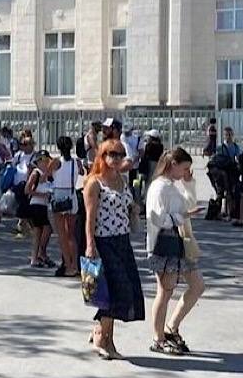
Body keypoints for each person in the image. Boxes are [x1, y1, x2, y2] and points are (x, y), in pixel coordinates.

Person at [82, 139, 145, 360]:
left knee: (125, 291)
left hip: (122, 241)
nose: (116, 158)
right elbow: (89, 218)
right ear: (102, 156)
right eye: (112, 154)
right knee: (111, 293)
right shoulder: (94, 183)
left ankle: (102, 335)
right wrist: (90, 245)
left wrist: (134, 208)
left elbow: (126, 205)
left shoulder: (122, 180)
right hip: (103, 242)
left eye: (120, 154)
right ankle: (104, 340)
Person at [145, 148, 205, 355]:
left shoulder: (172, 186)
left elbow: (189, 204)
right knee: (164, 291)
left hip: (181, 242)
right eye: (185, 168)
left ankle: (171, 327)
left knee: (197, 285)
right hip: (164, 243)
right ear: (173, 165)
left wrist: (188, 183)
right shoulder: (160, 187)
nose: (186, 172)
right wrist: (183, 215)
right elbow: (157, 218)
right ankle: (158, 338)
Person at [50, 136, 82, 278]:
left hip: (58, 195)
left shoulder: (56, 162)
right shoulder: (76, 162)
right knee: (71, 234)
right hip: (71, 195)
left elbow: (46, 176)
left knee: (62, 234)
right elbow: (81, 173)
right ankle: (74, 265)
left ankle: (68, 265)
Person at [25, 150, 55, 268]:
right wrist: (42, 195)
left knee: (44, 231)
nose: (45, 162)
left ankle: (39, 255)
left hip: (44, 206)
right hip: (36, 205)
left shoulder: (48, 175)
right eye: (42, 160)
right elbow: (27, 190)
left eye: (46, 160)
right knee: (42, 230)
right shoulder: (35, 173)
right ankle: (38, 255)